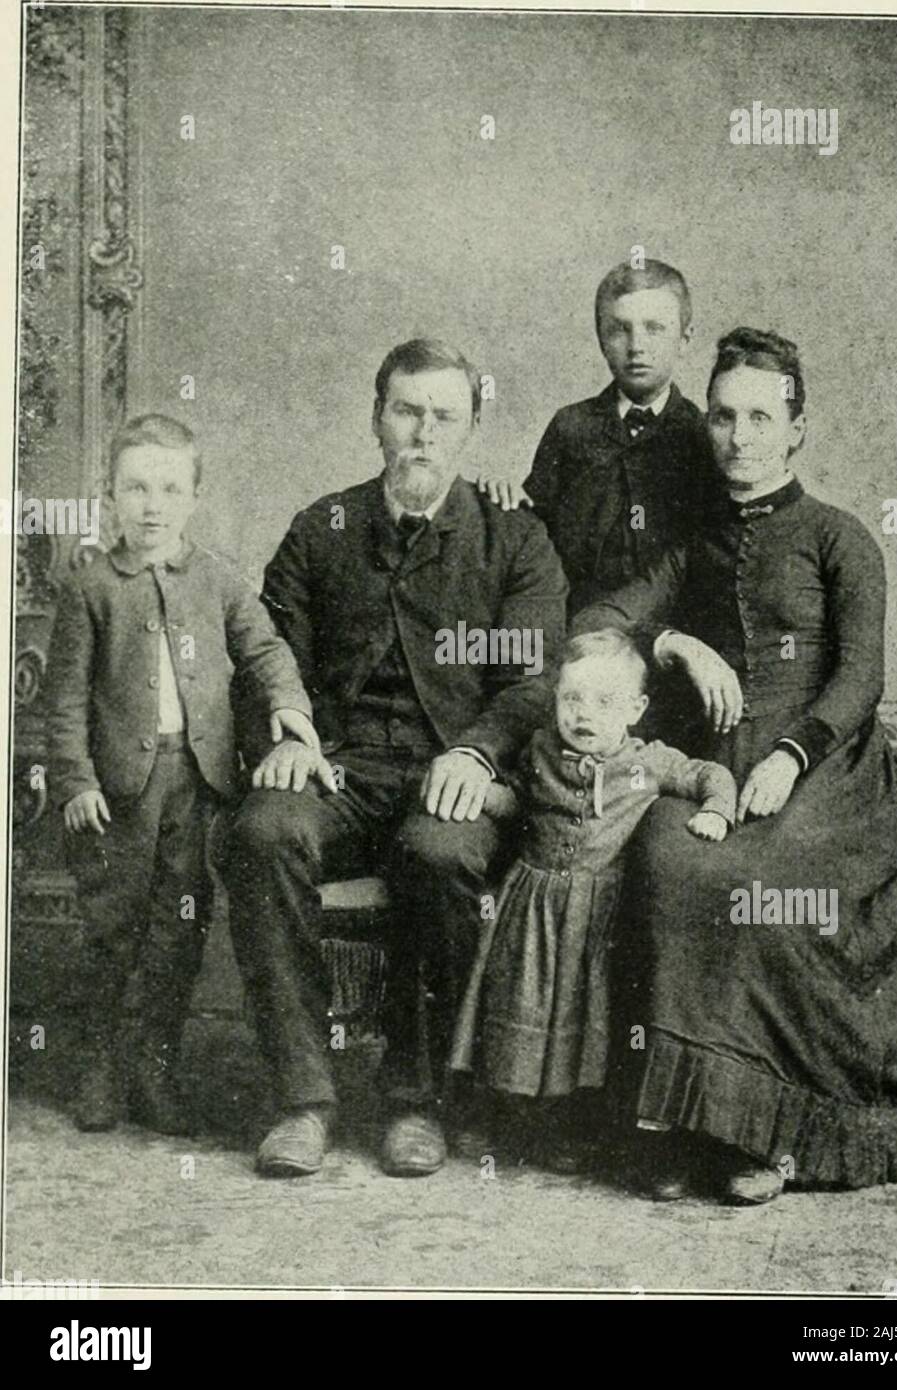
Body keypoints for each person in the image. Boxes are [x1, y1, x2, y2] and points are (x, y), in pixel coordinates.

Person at [575, 328, 897, 1203]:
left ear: (795, 429)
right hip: (714, 769)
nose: (736, 438)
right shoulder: (691, 547)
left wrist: (789, 752)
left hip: (829, 771)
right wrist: (672, 644)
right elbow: (595, 618)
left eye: (757, 417)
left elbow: (862, 675)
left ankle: (768, 1140)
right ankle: (685, 1128)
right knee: (666, 859)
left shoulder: (838, 538)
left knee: (761, 876)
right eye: (721, 418)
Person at [223, 338, 568, 1179]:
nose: (422, 433)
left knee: (440, 854)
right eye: (406, 411)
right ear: (377, 417)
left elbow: (534, 680)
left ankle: (416, 1103)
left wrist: (480, 753)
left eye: (443, 417)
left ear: (470, 429)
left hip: (446, 772)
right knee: (263, 832)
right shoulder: (323, 526)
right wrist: (285, 740)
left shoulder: (513, 537)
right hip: (334, 769)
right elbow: (264, 661)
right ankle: (304, 1099)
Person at [44, 415, 319, 1135]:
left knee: (179, 930)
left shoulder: (219, 580)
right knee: (115, 926)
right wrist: (75, 782)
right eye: (135, 487)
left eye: (169, 488)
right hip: (117, 796)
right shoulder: (91, 588)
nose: (151, 504)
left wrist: (288, 707)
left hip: (195, 788)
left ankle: (154, 1068)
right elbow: (65, 696)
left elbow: (267, 654)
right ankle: (102, 1063)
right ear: (110, 496)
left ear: (194, 497)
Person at [450, 630, 735, 1171]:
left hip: (596, 915)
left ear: (635, 709)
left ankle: (566, 1129)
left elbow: (709, 774)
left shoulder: (649, 762)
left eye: (605, 702)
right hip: (531, 904)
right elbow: (518, 804)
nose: (585, 714)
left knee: (582, 1019)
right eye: (572, 698)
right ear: (555, 697)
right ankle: (505, 1119)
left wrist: (717, 809)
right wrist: (481, 795)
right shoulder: (539, 750)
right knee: (519, 1004)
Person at [480, 259, 715, 619]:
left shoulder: (703, 434)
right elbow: (534, 529)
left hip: (676, 626)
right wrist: (507, 500)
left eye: (654, 328)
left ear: (685, 338)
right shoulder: (571, 427)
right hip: (577, 622)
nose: (637, 346)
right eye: (619, 329)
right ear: (601, 340)